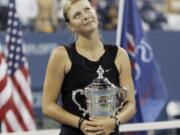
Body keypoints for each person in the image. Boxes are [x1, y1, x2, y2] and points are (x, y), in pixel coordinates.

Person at [42, 0, 136, 135]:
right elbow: (47, 106)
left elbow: (130, 104)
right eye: (77, 15)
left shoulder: (120, 54)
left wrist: (115, 121)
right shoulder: (61, 55)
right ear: (70, 26)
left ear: (95, 13)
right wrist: (80, 123)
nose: (85, 16)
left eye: (87, 10)